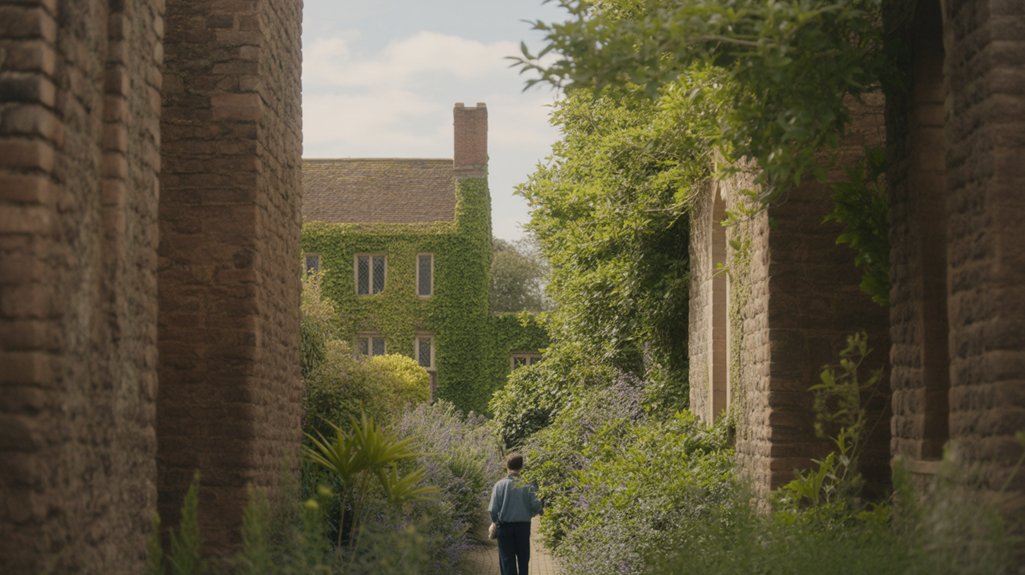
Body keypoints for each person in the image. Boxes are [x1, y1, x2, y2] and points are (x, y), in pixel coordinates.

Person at [489, 452, 543, 575]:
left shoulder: (499, 485)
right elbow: (536, 505)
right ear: (521, 467)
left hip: (504, 527)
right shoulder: (528, 485)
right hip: (523, 527)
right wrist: (531, 513)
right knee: (523, 560)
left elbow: (493, 509)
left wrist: (495, 522)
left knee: (507, 561)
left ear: (507, 466)